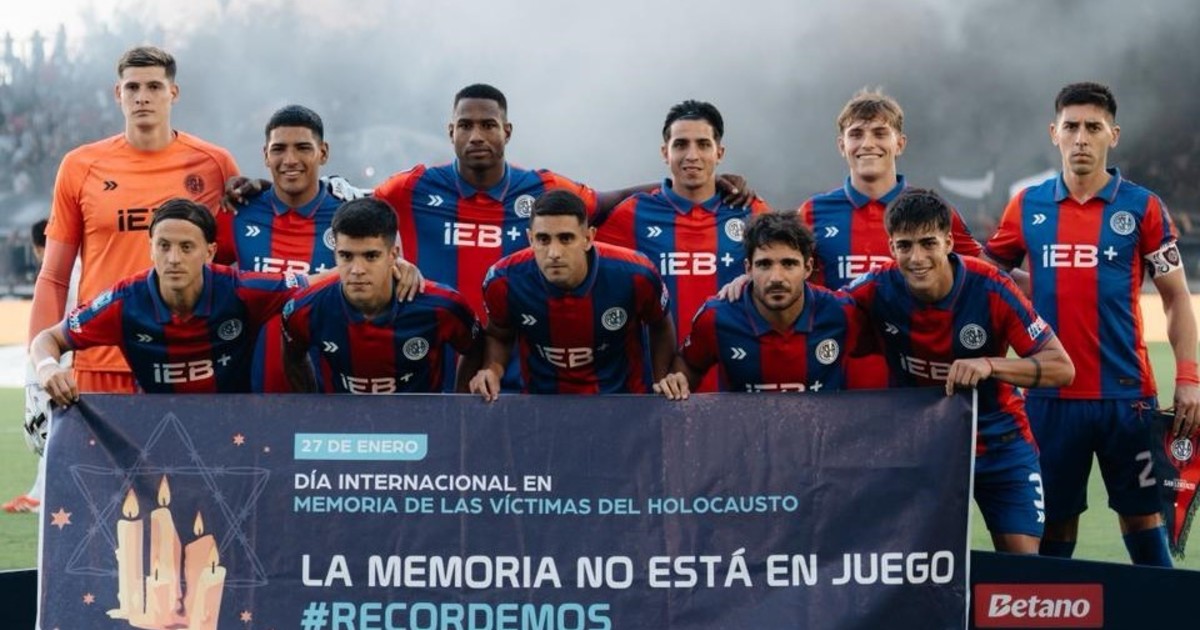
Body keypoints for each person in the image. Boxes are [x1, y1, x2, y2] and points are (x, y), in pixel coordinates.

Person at [984, 82, 1199, 566]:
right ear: (1054, 133)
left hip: (1127, 398)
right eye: (1072, 127)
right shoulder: (1027, 206)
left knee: (1143, 521)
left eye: (1093, 127)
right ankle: (1053, 608)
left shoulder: (1143, 207)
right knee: (1056, 524)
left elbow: (1176, 298)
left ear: (1113, 136)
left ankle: (1159, 607)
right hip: (1050, 400)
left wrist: (1188, 378)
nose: (1081, 137)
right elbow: (988, 275)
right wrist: (1038, 284)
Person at [844, 188, 1074, 554]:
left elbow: (1061, 367)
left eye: (928, 243)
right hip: (925, 451)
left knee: (1022, 564)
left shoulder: (992, 287)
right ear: (891, 247)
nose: (917, 258)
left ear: (949, 242)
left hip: (1000, 445)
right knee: (925, 565)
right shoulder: (875, 287)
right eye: (904, 246)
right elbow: (817, 314)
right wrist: (752, 288)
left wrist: (989, 364)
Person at [29, 45, 239, 395]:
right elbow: (53, 277)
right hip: (100, 360)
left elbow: (230, 263)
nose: (142, 97)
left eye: (154, 86)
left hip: (186, 359)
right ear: (118, 94)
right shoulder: (80, 166)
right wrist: (38, 367)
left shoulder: (215, 164)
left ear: (173, 92)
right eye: (132, 87)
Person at [219, 105, 417, 392]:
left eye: (303, 148)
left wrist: (402, 267)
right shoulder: (238, 212)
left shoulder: (351, 217)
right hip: (255, 393)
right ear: (265, 155)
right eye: (279, 149)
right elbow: (206, 283)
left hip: (332, 394)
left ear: (323, 152)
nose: (290, 160)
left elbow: (388, 274)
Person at [799, 88, 984, 389]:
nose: (867, 144)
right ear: (842, 146)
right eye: (856, 134)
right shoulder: (812, 213)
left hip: (917, 388)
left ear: (900, 143)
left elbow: (987, 274)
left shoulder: (932, 210)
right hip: (837, 384)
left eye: (880, 133)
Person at [30, 199, 303, 402]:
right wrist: (47, 368)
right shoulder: (124, 302)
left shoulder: (240, 290)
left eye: (186, 247)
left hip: (235, 434)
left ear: (210, 252)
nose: (173, 259)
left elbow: (313, 284)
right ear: (151, 249)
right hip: (158, 435)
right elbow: (47, 339)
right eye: (164, 246)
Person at [597, 100, 770, 392]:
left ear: (719, 153)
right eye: (680, 145)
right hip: (654, 388)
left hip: (734, 387)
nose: (692, 155)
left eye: (703, 144)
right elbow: (582, 258)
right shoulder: (632, 214)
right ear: (665, 153)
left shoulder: (751, 212)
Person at [469, 190, 674, 400]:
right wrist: (492, 370)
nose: (554, 253)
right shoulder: (504, 280)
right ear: (530, 239)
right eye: (543, 239)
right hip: (540, 405)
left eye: (565, 238)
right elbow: (499, 335)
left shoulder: (636, 274)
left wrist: (663, 381)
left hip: (622, 404)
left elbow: (660, 325)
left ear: (588, 238)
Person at [654, 212, 866, 400]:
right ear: (748, 269)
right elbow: (689, 366)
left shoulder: (841, 313)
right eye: (764, 264)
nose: (776, 277)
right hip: (743, 434)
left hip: (821, 434)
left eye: (789, 264)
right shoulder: (717, 317)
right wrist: (676, 383)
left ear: (808, 267)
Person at [282, 197, 483, 393]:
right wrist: (311, 408)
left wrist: (461, 408)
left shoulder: (443, 306)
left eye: (371, 256)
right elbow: (293, 357)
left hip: (423, 417)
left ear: (393, 255)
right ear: (335, 254)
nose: (357, 270)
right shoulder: (305, 308)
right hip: (342, 417)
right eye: (346, 256)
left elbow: (476, 350)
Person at [6, 219, 51, 514]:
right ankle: (40, 492)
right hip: (62, 357)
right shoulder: (79, 266)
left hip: (52, 361)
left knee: (47, 431)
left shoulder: (54, 274)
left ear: (36, 248)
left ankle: (43, 496)